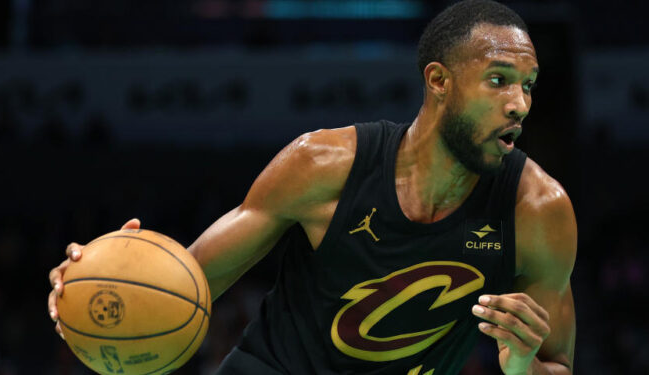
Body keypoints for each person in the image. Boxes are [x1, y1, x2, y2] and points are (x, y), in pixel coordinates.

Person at [47, 1, 576, 373]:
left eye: (528, 86)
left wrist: (523, 367)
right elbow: (188, 286)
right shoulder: (325, 165)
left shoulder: (538, 210)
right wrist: (108, 279)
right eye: (499, 80)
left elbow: (557, 366)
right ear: (438, 81)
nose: (520, 105)